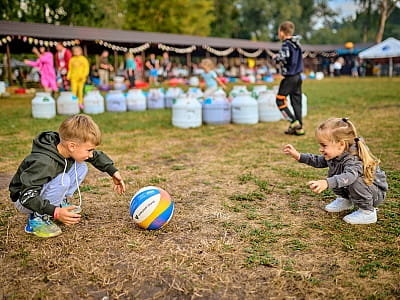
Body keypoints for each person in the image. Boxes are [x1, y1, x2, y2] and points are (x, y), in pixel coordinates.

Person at [9, 114, 126, 238]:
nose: (91, 155)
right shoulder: (43, 162)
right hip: (24, 199)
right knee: (63, 179)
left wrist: (113, 171)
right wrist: (56, 212)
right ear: (72, 146)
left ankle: (58, 201)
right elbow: (27, 196)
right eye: (89, 150)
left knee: (81, 166)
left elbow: (95, 156)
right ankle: (36, 218)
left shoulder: (65, 148)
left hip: (34, 194)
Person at [283, 117, 388, 225]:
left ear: (341, 144)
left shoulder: (354, 159)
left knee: (351, 179)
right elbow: (319, 160)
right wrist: (298, 156)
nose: (320, 149)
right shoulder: (336, 154)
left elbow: (349, 176)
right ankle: (345, 200)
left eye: (324, 145)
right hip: (360, 191)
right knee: (336, 174)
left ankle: (368, 212)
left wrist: (327, 183)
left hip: (374, 195)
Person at [273, 21, 304, 136]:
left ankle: (293, 121)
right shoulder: (297, 44)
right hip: (298, 77)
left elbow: (283, 57)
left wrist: (275, 57)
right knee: (296, 102)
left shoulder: (286, 44)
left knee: (279, 100)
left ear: (282, 32)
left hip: (290, 77)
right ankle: (299, 128)